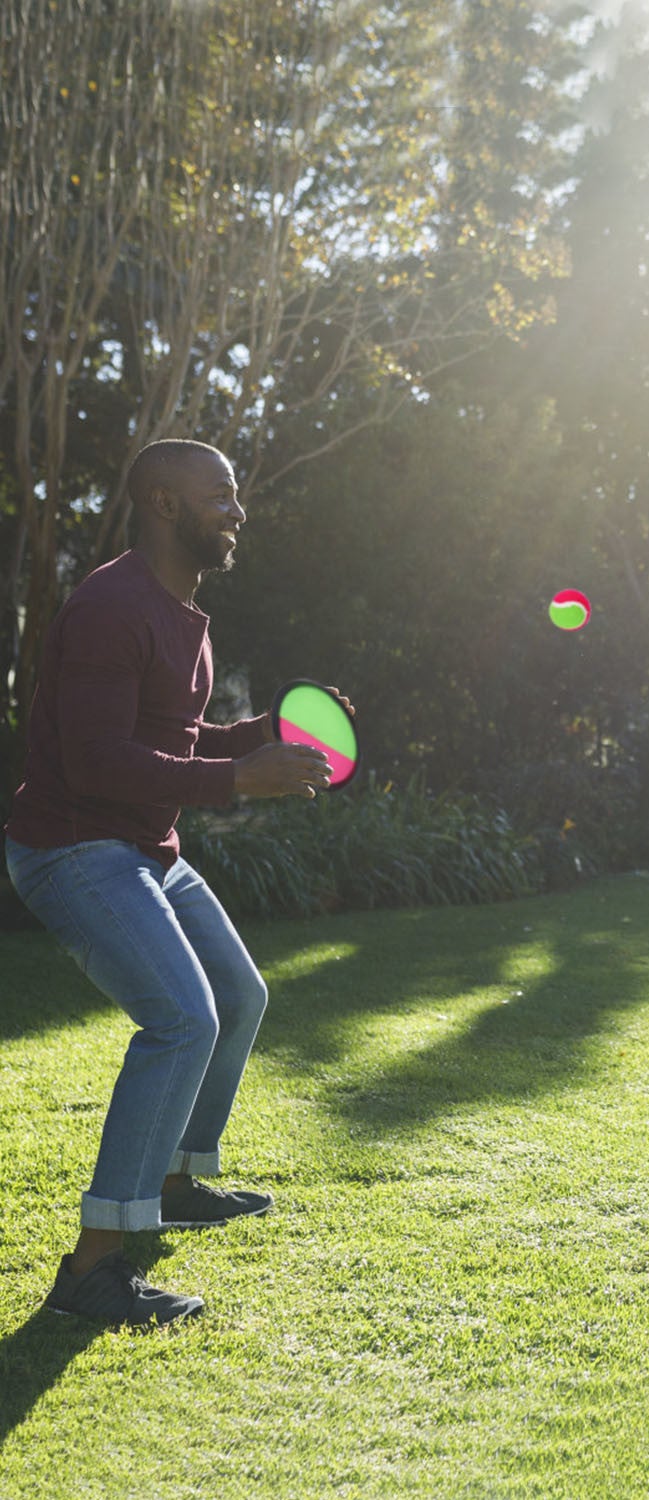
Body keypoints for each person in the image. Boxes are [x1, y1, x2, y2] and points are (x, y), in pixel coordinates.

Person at [4, 438, 341, 1326]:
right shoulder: (111, 607)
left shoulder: (180, 612)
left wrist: (265, 734)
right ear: (163, 503)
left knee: (238, 993)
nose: (237, 511)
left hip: (143, 846)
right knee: (181, 1018)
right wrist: (238, 782)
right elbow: (98, 760)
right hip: (73, 847)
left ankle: (175, 1179)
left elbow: (174, 741)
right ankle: (93, 1266)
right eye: (221, 495)